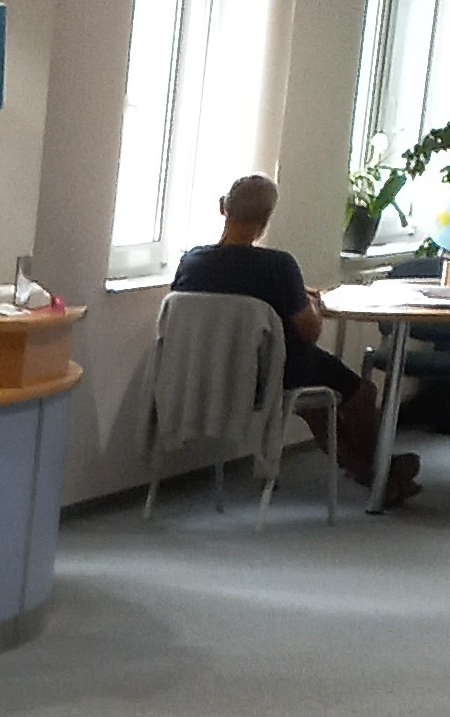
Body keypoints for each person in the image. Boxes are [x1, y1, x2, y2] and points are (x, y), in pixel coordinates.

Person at [170, 173, 411, 509]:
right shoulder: (278, 266)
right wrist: (310, 303)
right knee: (361, 392)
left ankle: (375, 474)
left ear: (223, 207)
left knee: (317, 409)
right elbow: (309, 332)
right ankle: (379, 474)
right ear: (267, 219)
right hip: (273, 371)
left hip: (207, 371)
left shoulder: (192, 262)